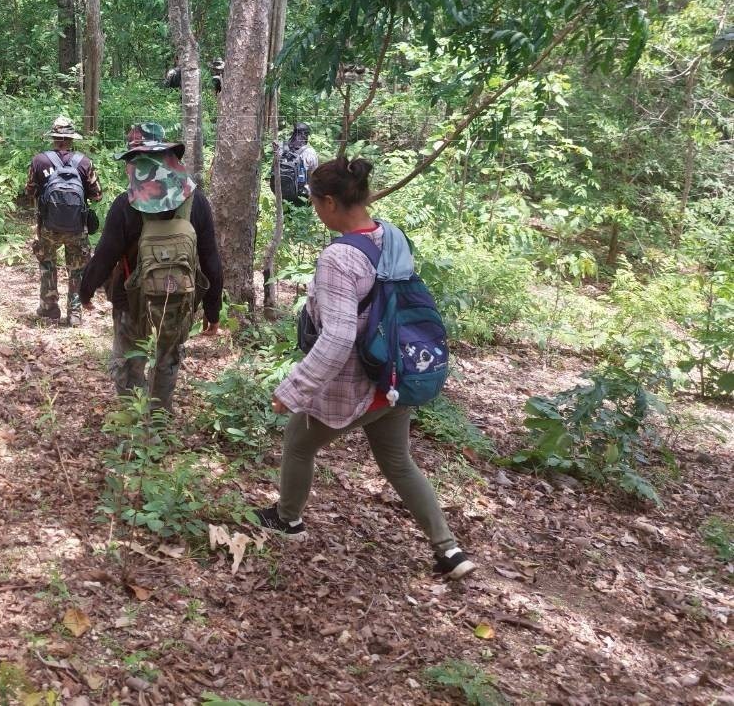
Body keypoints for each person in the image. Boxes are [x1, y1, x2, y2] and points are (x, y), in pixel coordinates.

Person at [254, 156, 476, 580]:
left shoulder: (338, 258)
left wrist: (294, 388)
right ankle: (449, 550)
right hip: (395, 373)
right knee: (398, 462)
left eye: (315, 203)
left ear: (330, 202)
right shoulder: (392, 237)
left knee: (297, 443)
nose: (315, 210)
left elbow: (338, 337)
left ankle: (287, 519)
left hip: (356, 382)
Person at [79, 123, 223, 411]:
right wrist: (212, 310)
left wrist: (85, 291)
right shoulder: (196, 201)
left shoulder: (125, 204)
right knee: (167, 358)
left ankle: (134, 418)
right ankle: (159, 417)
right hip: (179, 297)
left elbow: (105, 255)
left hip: (130, 299)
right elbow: (210, 260)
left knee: (129, 360)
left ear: (134, 165)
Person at [24, 115, 102, 326]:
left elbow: (29, 191)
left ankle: (49, 308)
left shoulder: (39, 161)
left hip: (48, 226)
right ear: (71, 139)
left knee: (47, 264)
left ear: (53, 137)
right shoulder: (84, 162)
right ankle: (75, 313)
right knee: (77, 269)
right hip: (77, 227)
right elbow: (97, 195)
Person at [275, 123, 320, 206]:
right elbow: (313, 176)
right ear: (306, 135)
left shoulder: (281, 147)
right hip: (301, 195)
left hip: (281, 192)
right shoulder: (310, 152)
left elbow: (274, 167)